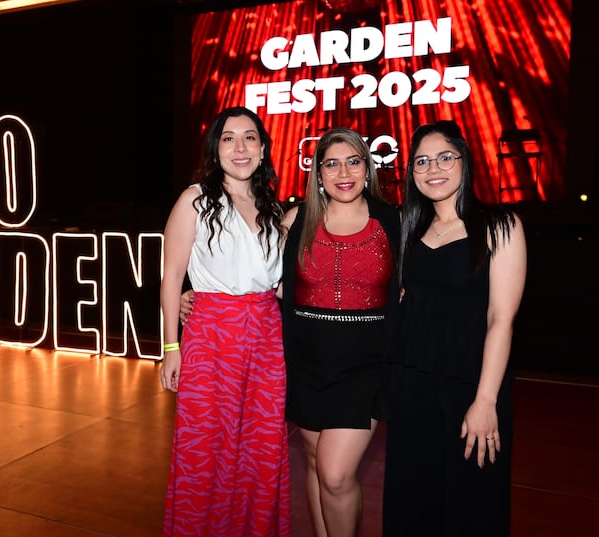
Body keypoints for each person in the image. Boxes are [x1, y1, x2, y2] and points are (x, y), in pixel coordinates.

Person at [382, 120, 527, 537]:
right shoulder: (410, 231)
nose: (433, 168)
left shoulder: (500, 225)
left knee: (472, 509)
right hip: (412, 392)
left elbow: (501, 319)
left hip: (472, 389)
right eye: (422, 161)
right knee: (413, 507)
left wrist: (486, 401)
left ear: (465, 162)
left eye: (445, 157)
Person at [159, 106, 291, 536]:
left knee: (262, 447)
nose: (240, 147)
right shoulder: (195, 200)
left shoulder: (273, 207)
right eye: (228, 137)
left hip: (267, 339)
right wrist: (171, 347)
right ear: (216, 148)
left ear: (263, 147)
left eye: (249, 137)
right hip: (211, 336)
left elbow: (279, 286)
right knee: (206, 451)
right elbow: (172, 277)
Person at [280, 127, 401, 537]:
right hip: (306, 364)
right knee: (315, 463)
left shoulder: (393, 221)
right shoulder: (296, 220)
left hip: (365, 370)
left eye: (353, 161)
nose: (343, 172)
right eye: (332, 163)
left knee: (335, 474)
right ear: (318, 174)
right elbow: (256, 276)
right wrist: (197, 294)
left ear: (368, 169)